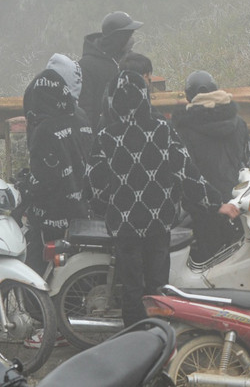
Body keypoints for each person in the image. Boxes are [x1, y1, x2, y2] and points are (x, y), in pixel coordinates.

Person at [87, 69, 237, 327]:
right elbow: (187, 174)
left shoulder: (105, 136)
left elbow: (95, 184)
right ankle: (158, 337)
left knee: (132, 289)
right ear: (145, 97)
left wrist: (109, 207)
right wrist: (217, 203)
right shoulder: (162, 130)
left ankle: (134, 339)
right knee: (158, 286)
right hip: (158, 222)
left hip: (124, 227)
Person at [174, 70, 250, 269]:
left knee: (207, 263)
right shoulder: (240, 123)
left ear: (188, 96)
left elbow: (184, 172)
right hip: (237, 202)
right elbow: (248, 161)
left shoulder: (183, 128)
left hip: (202, 206)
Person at [21, 66, 86, 275]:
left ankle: (39, 307)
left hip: (51, 217)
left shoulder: (44, 130)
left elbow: (43, 181)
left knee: (38, 270)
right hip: (82, 212)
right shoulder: (81, 117)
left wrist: (26, 188)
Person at [79, 11, 142, 133]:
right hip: (102, 135)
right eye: (128, 35)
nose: (131, 40)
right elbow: (86, 108)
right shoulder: (86, 65)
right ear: (118, 38)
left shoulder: (130, 60)